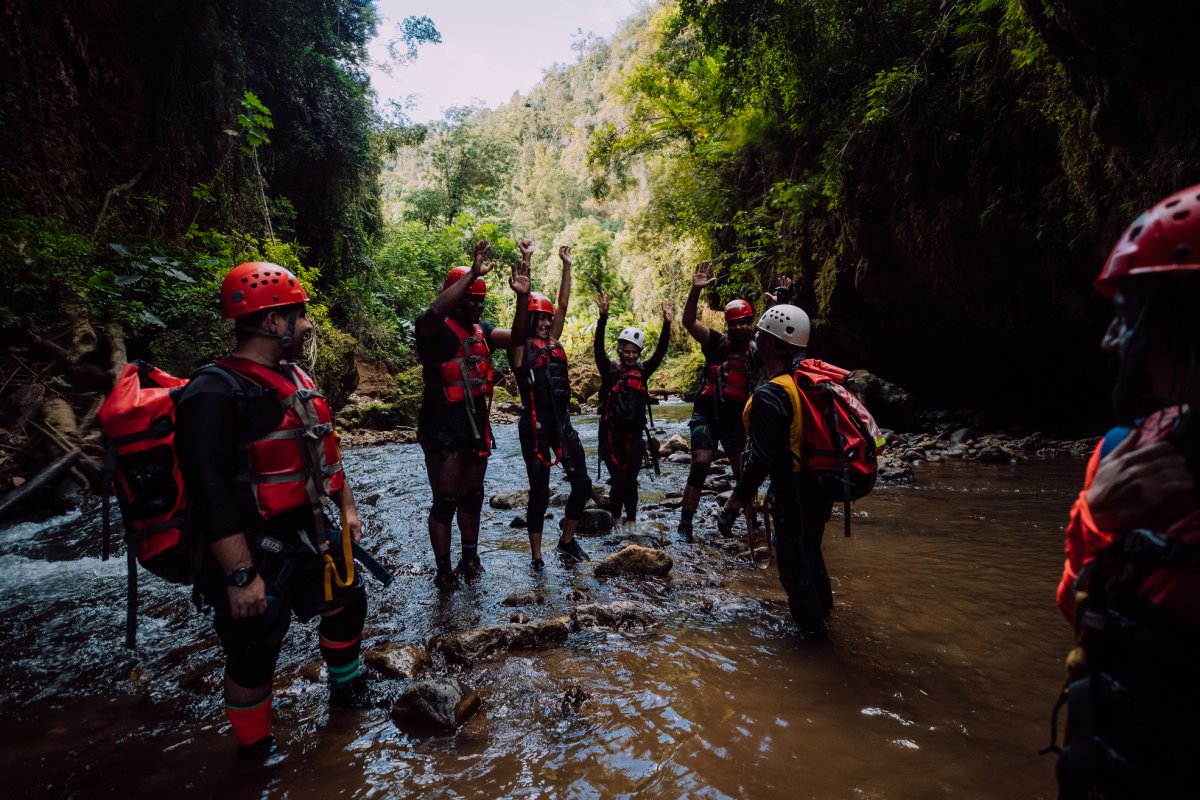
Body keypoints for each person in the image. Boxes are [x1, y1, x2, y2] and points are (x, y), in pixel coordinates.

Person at [176, 261, 379, 760]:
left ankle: (347, 691)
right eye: (300, 315)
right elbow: (209, 490)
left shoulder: (293, 376)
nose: (307, 325)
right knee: (254, 649)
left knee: (347, 601)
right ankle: (255, 753)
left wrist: (346, 507)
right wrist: (241, 574)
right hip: (250, 544)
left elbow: (324, 449)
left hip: (307, 530)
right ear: (272, 323)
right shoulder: (213, 392)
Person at [1052, 185, 1200, 798]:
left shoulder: (1130, 450)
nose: (1115, 339)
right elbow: (1083, 611)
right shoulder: (1124, 451)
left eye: (1131, 312)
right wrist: (1094, 520)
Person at [414, 240, 531, 589]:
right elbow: (431, 315)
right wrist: (471, 274)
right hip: (441, 425)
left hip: (475, 425)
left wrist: (523, 297)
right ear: (457, 295)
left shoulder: (483, 331)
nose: (478, 304)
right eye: (472, 298)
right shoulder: (434, 332)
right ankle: (443, 570)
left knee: (473, 494)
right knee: (445, 500)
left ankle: (470, 556)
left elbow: (519, 335)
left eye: (482, 298)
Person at [719, 304, 835, 638]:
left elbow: (760, 461)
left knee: (794, 570)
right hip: (820, 486)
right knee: (811, 552)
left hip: (795, 492)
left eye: (759, 334)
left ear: (771, 342)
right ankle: (825, 621)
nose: (754, 339)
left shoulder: (771, 394)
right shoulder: (809, 380)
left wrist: (733, 506)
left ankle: (815, 648)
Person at [509, 244, 591, 568]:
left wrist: (567, 265)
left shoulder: (554, 341)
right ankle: (537, 557)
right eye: (540, 318)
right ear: (529, 319)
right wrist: (526, 264)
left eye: (547, 318)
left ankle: (567, 541)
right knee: (540, 493)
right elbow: (522, 319)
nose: (546, 322)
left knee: (582, 485)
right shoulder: (519, 349)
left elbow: (564, 304)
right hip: (535, 427)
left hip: (562, 424)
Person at [678, 260, 757, 540]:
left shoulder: (758, 352)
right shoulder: (716, 342)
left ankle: (748, 518)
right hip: (706, 415)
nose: (738, 328)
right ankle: (685, 524)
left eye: (743, 322)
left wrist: (785, 300)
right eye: (733, 324)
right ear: (727, 324)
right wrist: (695, 291)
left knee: (743, 473)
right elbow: (688, 322)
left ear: (751, 321)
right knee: (700, 462)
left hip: (737, 422)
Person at [594, 292, 672, 524]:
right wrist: (602, 317)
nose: (630, 355)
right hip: (610, 436)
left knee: (631, 480)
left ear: (639, 353)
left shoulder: (643, 371)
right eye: (626, 351)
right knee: (618, 480)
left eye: (634, 352)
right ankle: (617, 519)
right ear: (619, 351)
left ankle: (631, 521)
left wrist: (667, 324)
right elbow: (598, 348)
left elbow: (660, 352)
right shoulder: (609, 371)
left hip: (635, 437)